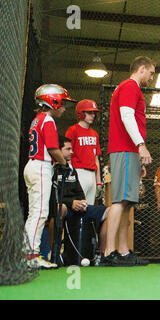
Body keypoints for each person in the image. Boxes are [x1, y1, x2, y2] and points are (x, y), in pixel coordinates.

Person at [102, 56, 155, 266]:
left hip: (129, 151)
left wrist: (138, 155)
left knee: (127, 202)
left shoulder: (128, 88)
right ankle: (109, 252)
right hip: (124, 149)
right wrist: (141, 145)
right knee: (120, 201)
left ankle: (123, 252)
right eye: (151, 73)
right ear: (142, 69)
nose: (151, 77)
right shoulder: (130, 86)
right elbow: (126, 116)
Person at [24, 84, 75, 269]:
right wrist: (64, 163)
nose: (63, 108)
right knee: (39, 213)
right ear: (52, 101)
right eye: (62, 104)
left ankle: (29, 253)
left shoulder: (37, 119)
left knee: (35, 213)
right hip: (41, 167)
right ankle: (30, 256)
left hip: (33, 166)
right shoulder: (48, 120)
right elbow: (53, 149)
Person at [51, 136, 110, 257]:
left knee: (110, 211)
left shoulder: (72, 170)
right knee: (59, 209)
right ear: (59, 150)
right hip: (66, 208)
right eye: (68, 149)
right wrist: (71, 203)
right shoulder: (52, 170)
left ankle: (102, 255)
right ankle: (54, 253)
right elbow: (53, 196)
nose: (72, 152)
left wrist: (82, 202)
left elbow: (79, 192)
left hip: (77, 208)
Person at [65, 99, 102, 205]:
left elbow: (96, 159)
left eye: (94, 113)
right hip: (78, 172)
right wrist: (70, 174)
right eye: (89, 112)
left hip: (92, 175)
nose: (93, 115)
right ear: (81, 113)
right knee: (78, 206)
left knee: (89, 207)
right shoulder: (73, 130)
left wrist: (98, 182)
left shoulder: (94, 134)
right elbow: (67, 155)